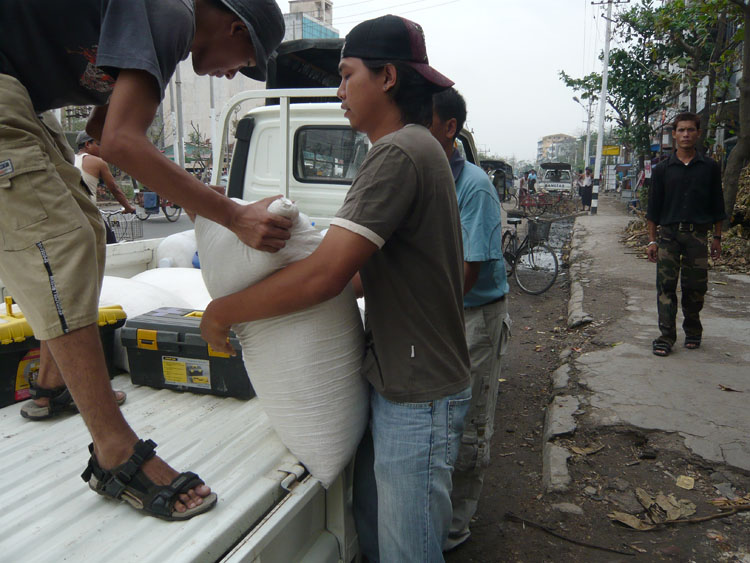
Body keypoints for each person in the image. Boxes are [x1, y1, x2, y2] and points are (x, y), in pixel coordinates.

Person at [0, 0, 291, 520]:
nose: (233, 72)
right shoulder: (170, 13)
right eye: (243, 59)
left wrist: (198, 191)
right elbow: (122, 142)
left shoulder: (161, 33)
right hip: (7, 87)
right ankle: (114, 453)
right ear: (233, 24)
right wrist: (233, 215)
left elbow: (103, 126)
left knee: (87, 231)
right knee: (55, 241)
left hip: (18, 93)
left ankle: (54, 382)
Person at [200, 14, 471, 560]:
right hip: (416, 380)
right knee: (393, 537)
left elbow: (327, 276)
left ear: (388, 77)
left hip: (417, 392)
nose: (339, 90)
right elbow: (358, 274)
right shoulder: (420, 148)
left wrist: (224, 310)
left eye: (347, 76)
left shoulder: (396, 153)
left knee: (408, 551)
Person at [430, 87, 511, 552]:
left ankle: (457, 525)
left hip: (474, 317)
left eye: (426, 120)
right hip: (444, 314)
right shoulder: (425, 175)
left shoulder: (473, 185)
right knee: (440, 417)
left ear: (449, 129)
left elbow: (469, 269)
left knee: (469, 420)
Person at [646, 112, 726, 357]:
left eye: (691, 130)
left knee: (695, 288)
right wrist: (652, 240)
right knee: (665, 287)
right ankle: (666, 337)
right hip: (669, 237)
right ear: (674, 134)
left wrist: (716, 238)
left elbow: (717, 206)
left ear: (698, 134)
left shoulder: (709, 167)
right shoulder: (662, 169)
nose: (686, 134)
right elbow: (653, 208)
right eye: (681, 130)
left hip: (698, 238)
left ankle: (693, 331)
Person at [75, 131, 137, 243]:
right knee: (110, 243)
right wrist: (128, 207)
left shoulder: (69, 160)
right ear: (87, 144)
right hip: (88, 212)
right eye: (98, 144)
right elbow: (114, 188)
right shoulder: (98, 162)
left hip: (69, 212)